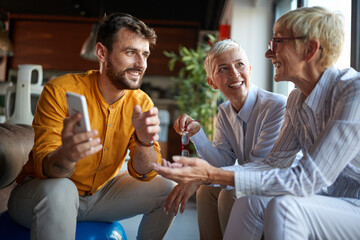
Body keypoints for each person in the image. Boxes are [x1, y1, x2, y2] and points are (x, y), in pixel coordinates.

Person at [154, 6, 360, 240]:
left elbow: (307, 179)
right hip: (327, 197)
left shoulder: (353, 91)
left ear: (309, 49)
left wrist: (211, 174)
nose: (268, 54)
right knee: (249, 201)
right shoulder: (296, 99)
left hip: (352, 202)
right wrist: (205, 172)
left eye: (277, 43)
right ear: (212, 81)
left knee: (284, 209)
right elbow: (274, 162)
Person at [8, 13, 175, 240]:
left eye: (144, 54)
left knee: (169, 188)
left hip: (98, 196)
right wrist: (67, 155)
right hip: (42, 194)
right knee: (62, 188)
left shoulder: (141, 102)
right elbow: (48, 170)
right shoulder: (60, 90)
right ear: (102, 53)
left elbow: (145, 173)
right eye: (130, 52)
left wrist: (145, 141)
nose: (141, 64)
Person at [166, 39, 287, 239]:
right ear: (211, 82)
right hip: (255, 182)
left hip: (278, 186)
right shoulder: (224, 112)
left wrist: (203, 175)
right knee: (205, 191)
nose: (234, 73)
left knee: (228, 194)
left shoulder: (277, 106)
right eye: (223, 68)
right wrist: (197, 132)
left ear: (249, 69)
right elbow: (222, 161)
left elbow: (260, 166)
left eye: (239, 64)